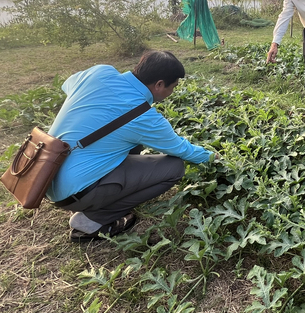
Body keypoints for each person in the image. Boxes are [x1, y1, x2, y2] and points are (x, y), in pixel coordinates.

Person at [46, 50, 215, 242]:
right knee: (174, 168)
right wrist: (213, 158)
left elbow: (67, 84)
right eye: (173, 87)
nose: (172, 92)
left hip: (47, 174)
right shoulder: (142, 116)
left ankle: (97, 198)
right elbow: (183, 150)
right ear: (159, 85)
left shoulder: (99, 73)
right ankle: (92, 221)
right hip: (75, 194)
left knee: (130, 143)